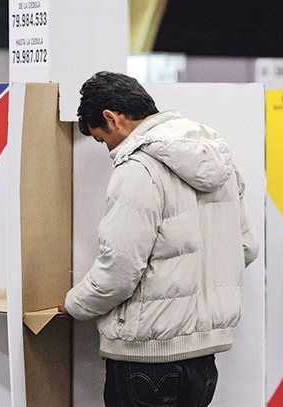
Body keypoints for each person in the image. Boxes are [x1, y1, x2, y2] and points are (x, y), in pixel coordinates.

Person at [60, 71, 258, 407]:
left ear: (112, 118)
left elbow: (119, 270)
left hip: (146, 356)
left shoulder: (138, 169)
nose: (108, 149)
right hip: (204, 361)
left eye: (102, 139)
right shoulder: (218, 159)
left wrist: (75, 303)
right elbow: (246, 248)